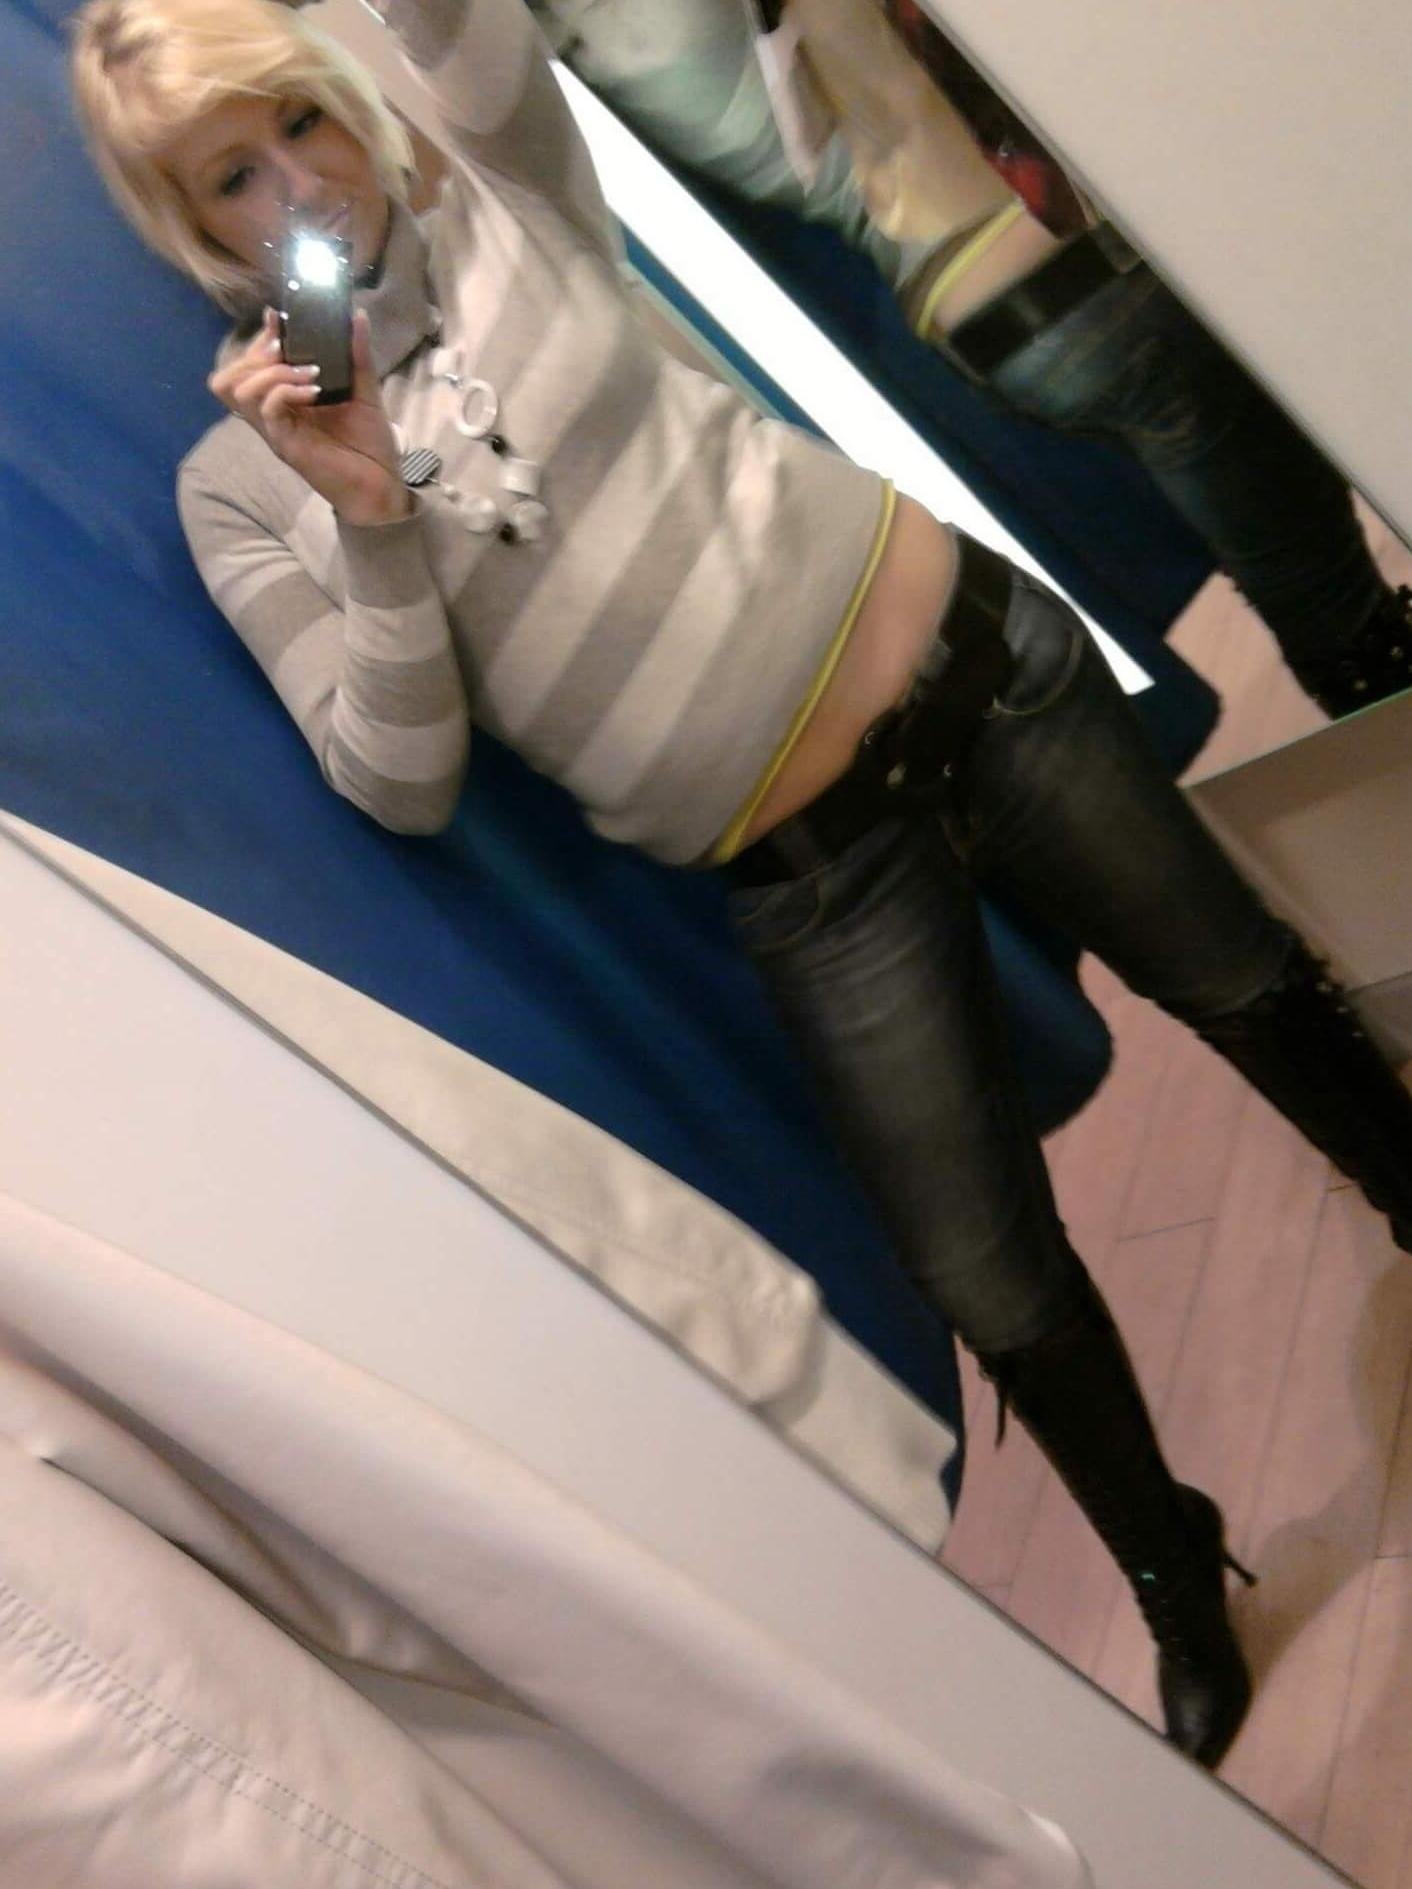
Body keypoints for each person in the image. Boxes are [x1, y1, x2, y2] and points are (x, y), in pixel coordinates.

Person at [70, 0, 1412, 1772]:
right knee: (983, 1273)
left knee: (1237, 977)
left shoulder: (495, 181)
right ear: (189, 227)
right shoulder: (241, 483)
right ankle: (1173, 1562)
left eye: (301, 123)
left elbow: (461, 30)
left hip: (978, 672)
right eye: (233, 176)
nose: (298, 188)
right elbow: (395, 776)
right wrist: (374, 517)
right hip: (805, 870)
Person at [529, 0, 1412, 718]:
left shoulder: (586, 48)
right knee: (1331, 591)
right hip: (1054, 255)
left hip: (1001, 309)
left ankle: (1365, 683)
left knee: (1313, 569)